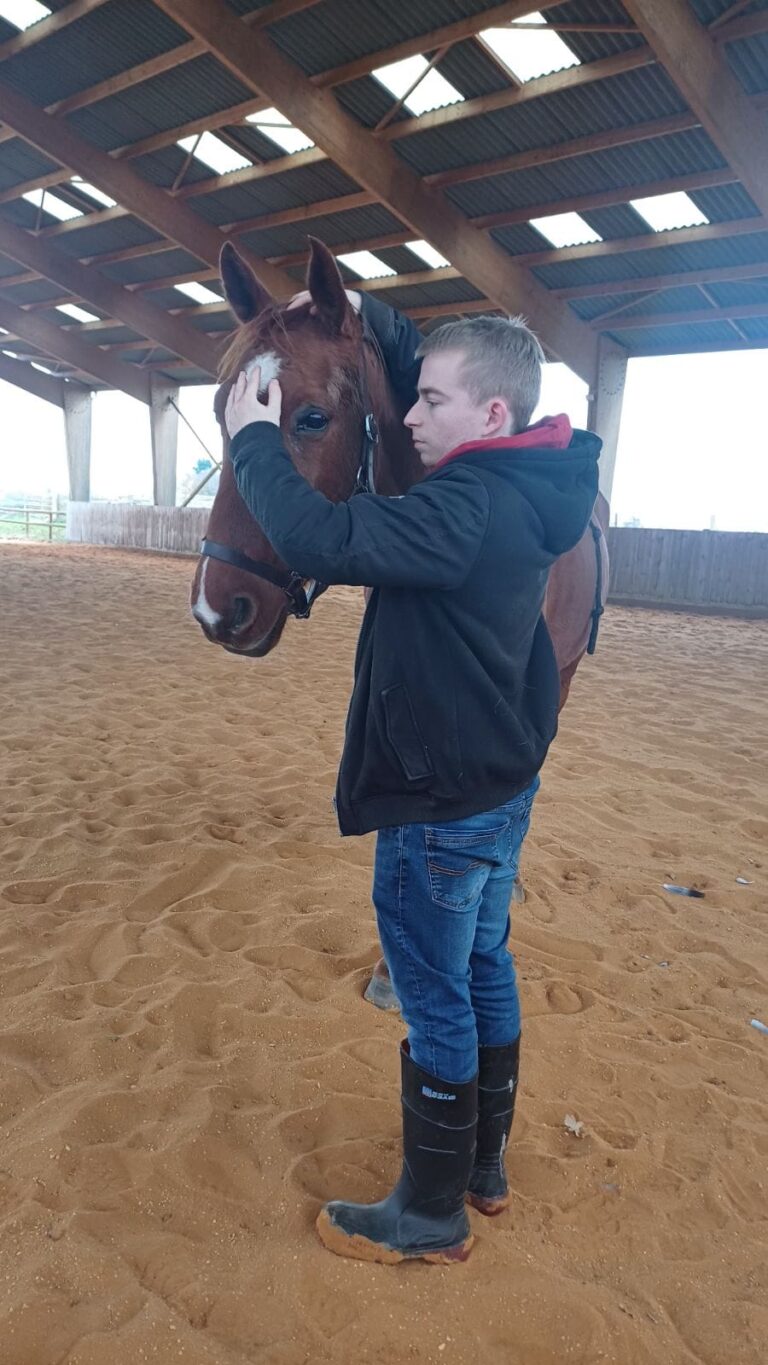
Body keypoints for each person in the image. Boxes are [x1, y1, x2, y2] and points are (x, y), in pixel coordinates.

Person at [224, 289, 601, 1266]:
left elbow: (322, 541)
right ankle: (482, 1170)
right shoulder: (530, 490)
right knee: (484, 963)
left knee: (433, 990)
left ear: (491, 417)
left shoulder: (464, 503)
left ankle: (429, 1213)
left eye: (431, 400)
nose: (410, 415)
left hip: (438, 802)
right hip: (497, 783)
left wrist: (253, 437)